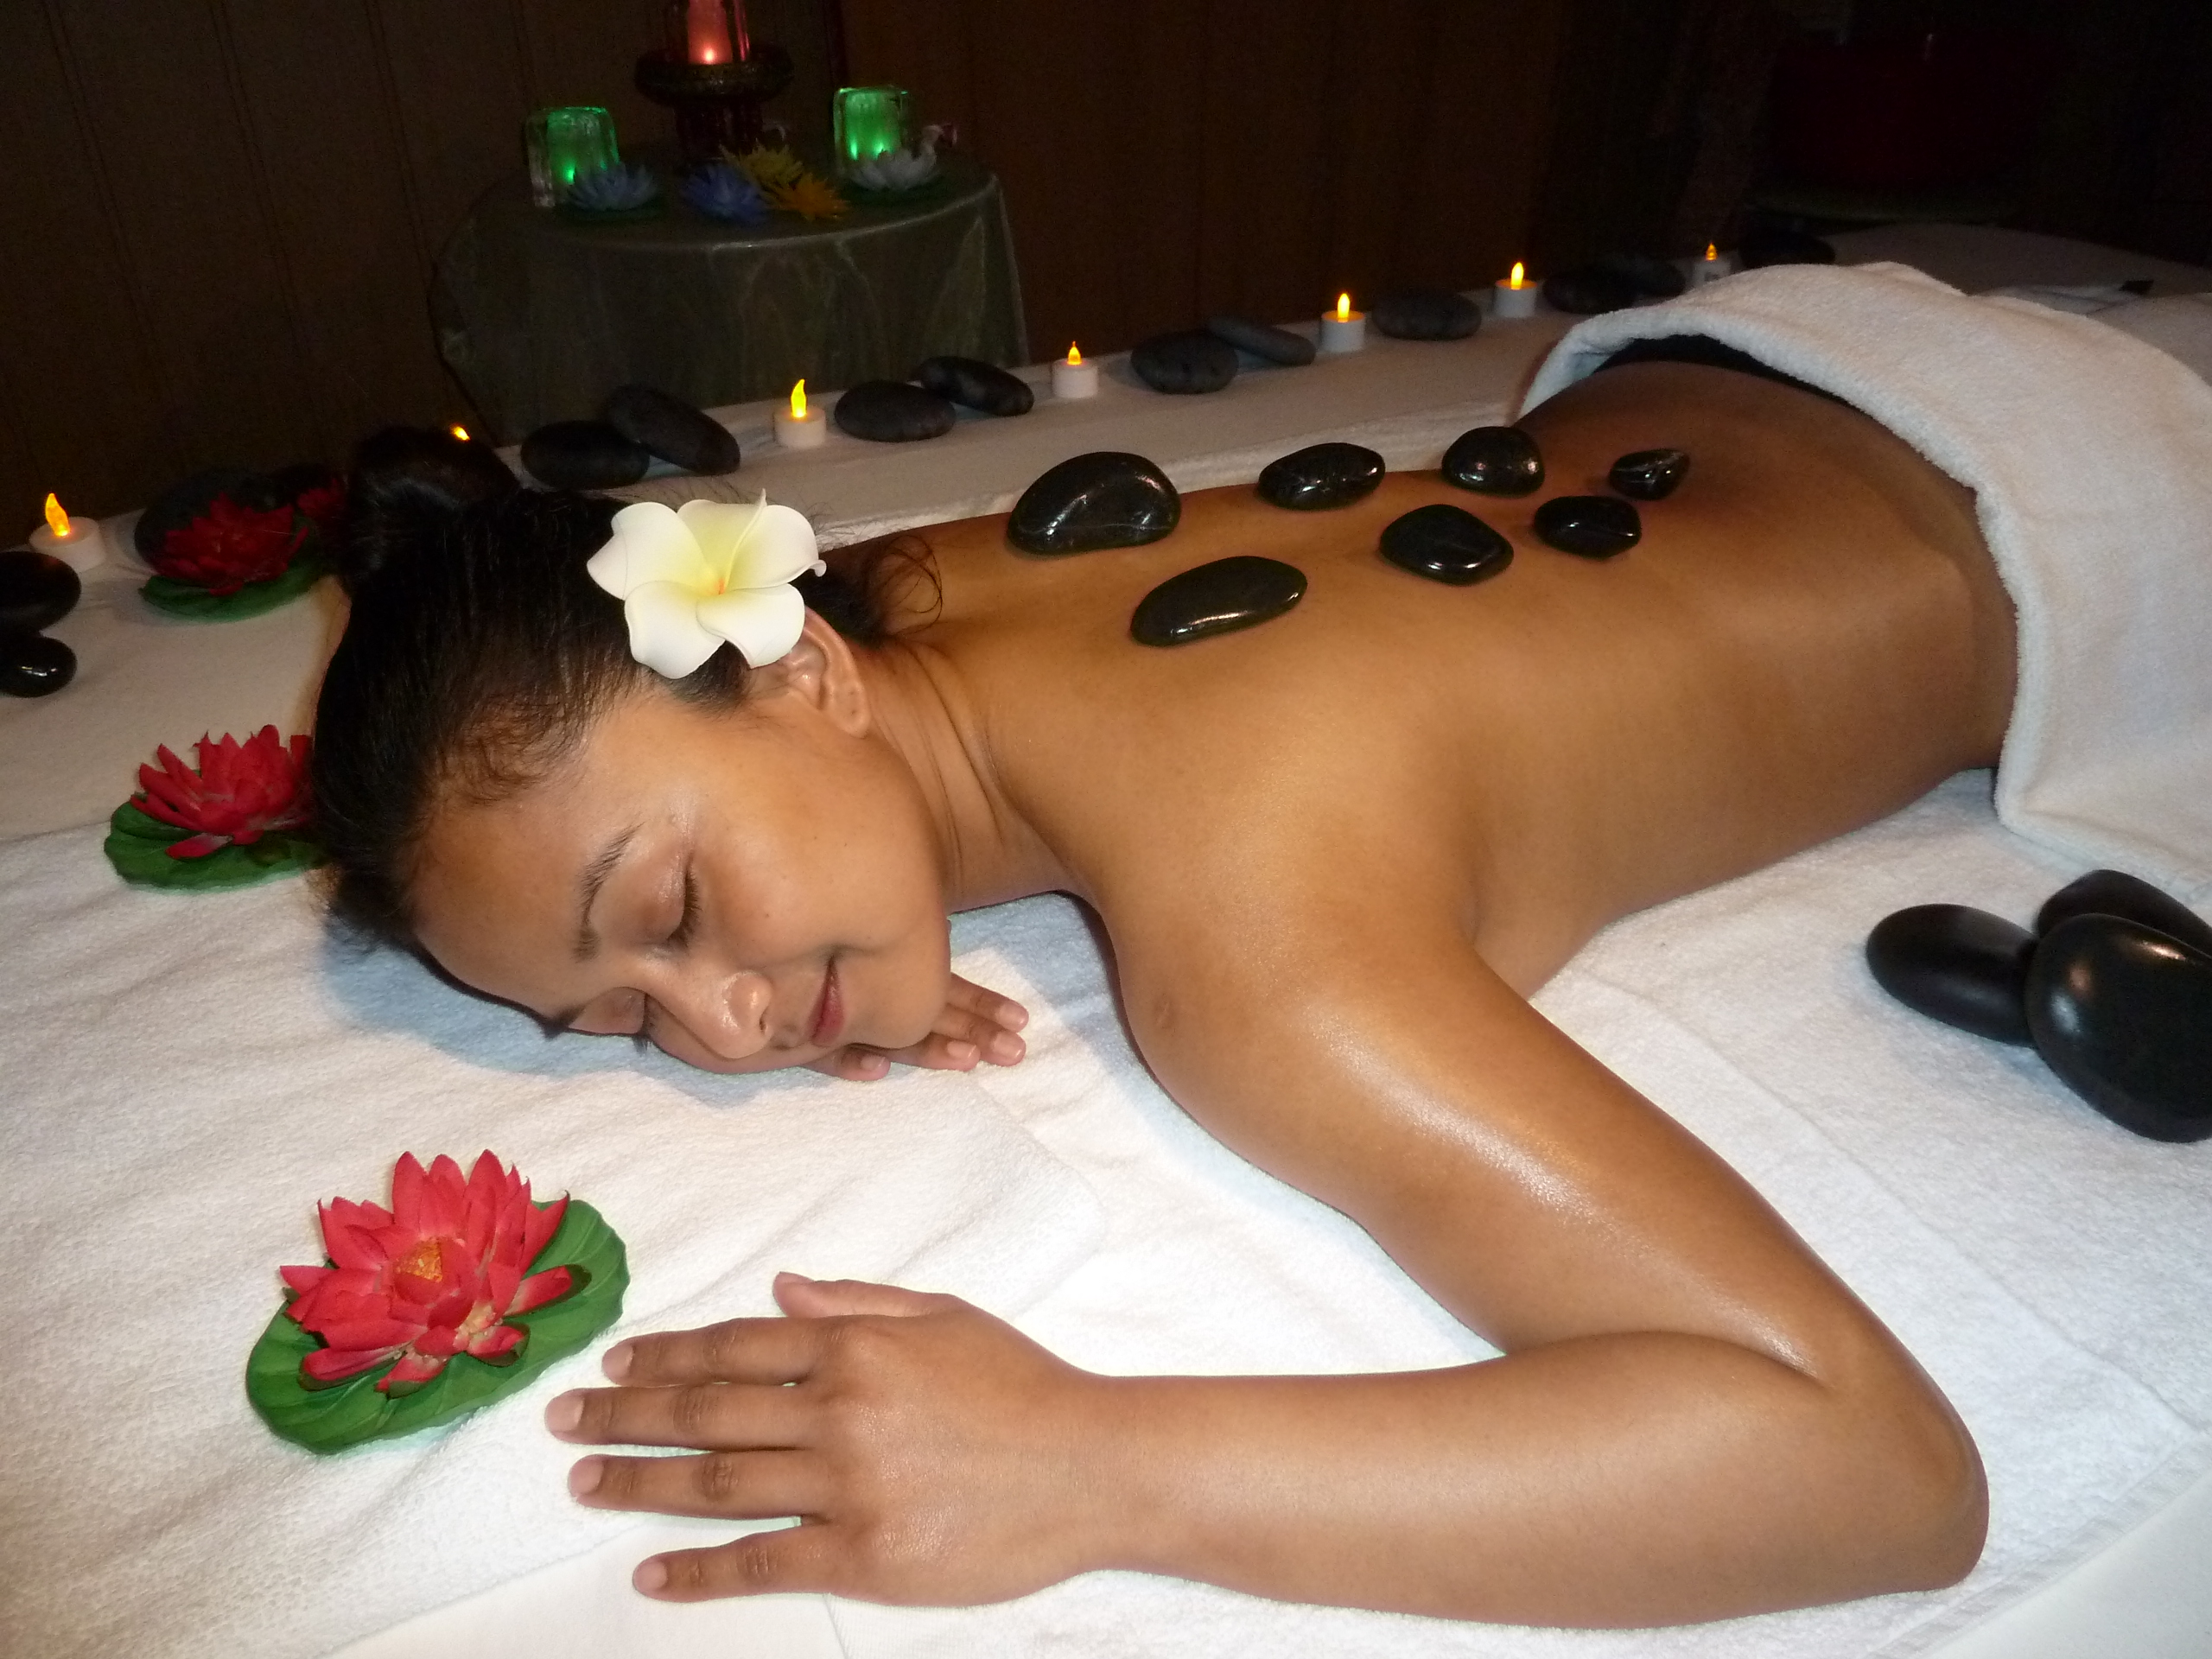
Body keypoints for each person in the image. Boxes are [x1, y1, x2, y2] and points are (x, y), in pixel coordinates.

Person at [312, 335, 2009, 1624]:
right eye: (622, 1017)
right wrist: (843, 925)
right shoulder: (913, 589)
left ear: (805, 669)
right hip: (1738, 359)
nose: (722, 1023)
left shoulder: (1253, 950)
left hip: (2026, 487)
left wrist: (1093, 1466)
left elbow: (1873, 1468)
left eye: (673, 908)